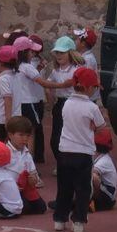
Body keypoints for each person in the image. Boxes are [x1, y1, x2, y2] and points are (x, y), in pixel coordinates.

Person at [53, 66, 105, 232]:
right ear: (89, 88)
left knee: (64, 187)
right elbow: (101, 126)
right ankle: (79, 220)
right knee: (83, 189)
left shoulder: (67, 103)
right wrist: (92, 126)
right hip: (83, 152)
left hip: (65, 151)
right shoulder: (92, 107)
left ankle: (60, 219)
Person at [47, 36, 84, 168]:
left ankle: (69, 164)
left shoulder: (77, 70)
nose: (59, 55)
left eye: (62, 52)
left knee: (72, 136)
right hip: (60, 104)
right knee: (55, 139)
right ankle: (62, 163)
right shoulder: (55, 70)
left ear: (71, 53)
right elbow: (50, 86)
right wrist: (51, 103)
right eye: (57, 52)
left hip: (74, 104)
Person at [13, 35, 50, 164]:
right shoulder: (27, 66)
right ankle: (29, 164)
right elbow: (43, 83)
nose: (33, 54)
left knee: (19, 132)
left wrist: (39, 68)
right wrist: (65, 84)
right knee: (30, 134)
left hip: (19, 103)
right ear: (24, 52)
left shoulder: (16, 66)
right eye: (31, 51)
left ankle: (20, 162)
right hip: (30, 103)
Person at [4, 116, 46, 215]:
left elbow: (33, 175)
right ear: (10, 134)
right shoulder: (5, 151)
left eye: (27, 136)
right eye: (21, 135)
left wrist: (33, 180)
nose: (25, 139)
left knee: (41, 207)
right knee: (24, 207)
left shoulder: (27, 154)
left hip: (23, 189)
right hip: (8, 189)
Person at [0, 45, 21, 140]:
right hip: (16, 118)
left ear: (0, 62)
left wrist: (8, 121)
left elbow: (8, 99)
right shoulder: (17, 76)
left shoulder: (3, 79)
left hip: (0, 120)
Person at [92, 130, 117, 212]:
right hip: (106, 193)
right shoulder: (99, 157)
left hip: (108, 198)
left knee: (92, 177)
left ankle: (88, 201)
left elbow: (90, 174)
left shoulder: (104, 161)